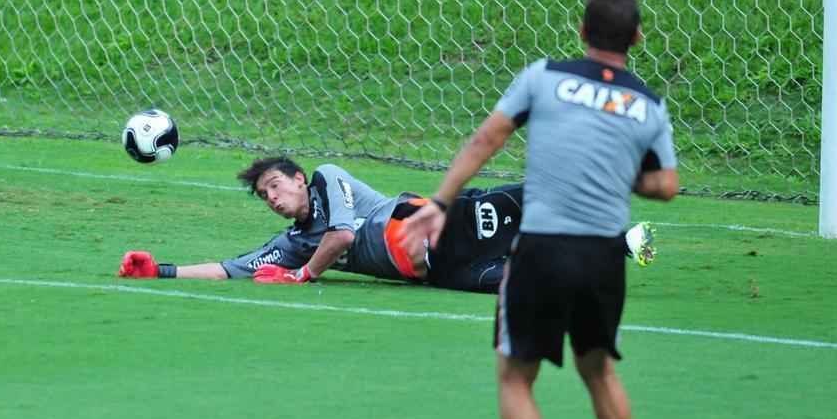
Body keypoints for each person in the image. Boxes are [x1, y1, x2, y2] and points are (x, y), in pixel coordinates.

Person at [401, 0, 678, 419]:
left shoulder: (545, 77)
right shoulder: (647, 106)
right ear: (637, 38)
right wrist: (626, 178)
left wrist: (441, 200)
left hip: (543, 252)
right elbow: (667, 185)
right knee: (598, 369)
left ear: (581, 31)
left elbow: (487, 139)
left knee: (515, 373)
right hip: (602, 257)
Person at [117, 157, 656, 293]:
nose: (273, 200)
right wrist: (159, 271)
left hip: (447, 224)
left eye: (276, 187)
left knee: (533, 198)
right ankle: (619, 246)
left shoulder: (329, 180)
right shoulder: (294, 243)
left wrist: (305, 276)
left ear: (299, 179)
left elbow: (345, 237)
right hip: (441, 271)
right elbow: (235, 268)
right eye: (264, 197)